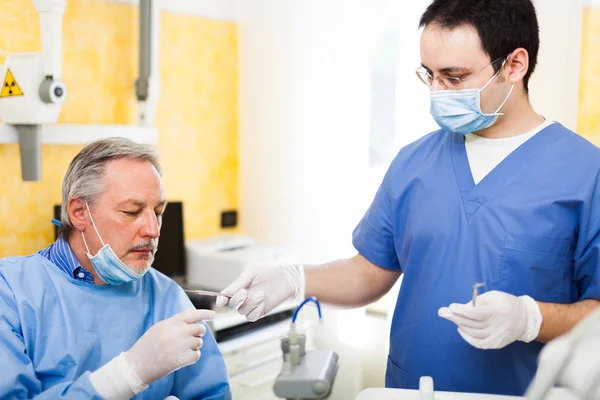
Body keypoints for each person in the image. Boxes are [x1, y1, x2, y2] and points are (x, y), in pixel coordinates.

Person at [216, 0, 600, 396]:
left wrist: (530, 318)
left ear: (514, 65)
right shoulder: (414, 162)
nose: (437, 91)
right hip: (412, 389)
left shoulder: (585, 173)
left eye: (454, 77)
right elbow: (370, 271)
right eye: (428, 75)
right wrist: (294, 279)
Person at [0, 138, 231, 399]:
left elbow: (212, 393)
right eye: (132, 212)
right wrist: (128, 373)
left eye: (158, 212)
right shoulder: (10, 293)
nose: (153, 230)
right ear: (79, 212)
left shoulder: (166, 296)